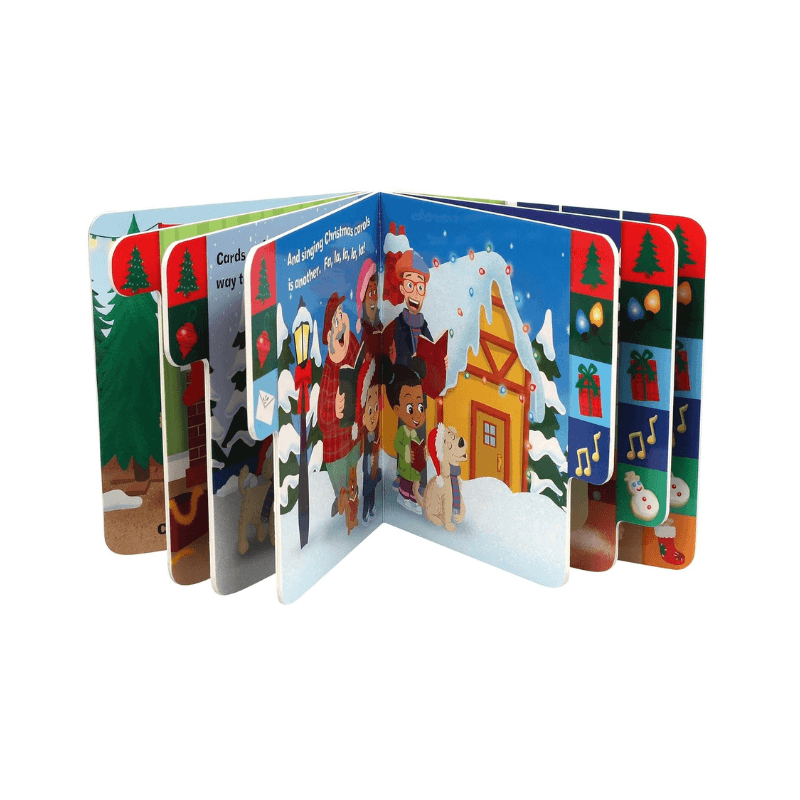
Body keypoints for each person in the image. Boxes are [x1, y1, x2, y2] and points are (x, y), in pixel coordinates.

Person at [318, 293, 361, 519]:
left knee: (352, 463)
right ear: (329, 337)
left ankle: (352, 493)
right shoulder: (329, 370)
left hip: (352, 432)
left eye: (342, 313)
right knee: (338, 469)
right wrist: (333, 409)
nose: (342, 321)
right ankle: (340, 496)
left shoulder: (351, 343)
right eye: (336, 319)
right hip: (336, 440)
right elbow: (322, 417)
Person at [381, 355, 427, 513]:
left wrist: (421, 451)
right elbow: (398, 445)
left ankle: (412, 499)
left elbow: (416, 443)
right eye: (410, 409)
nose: (417, 415)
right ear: (397, 410)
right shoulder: (402, 431)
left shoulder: (413, 431)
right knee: (406, 484)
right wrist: (407, 453)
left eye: (420, 407)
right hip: (406, 467)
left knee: (413, 484)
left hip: (412, 467)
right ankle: (404, 498)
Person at [358, 358, 382, 521]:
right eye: (370, 411)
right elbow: (366, 457)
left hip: (373, 467)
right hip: (368, 469)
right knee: (368, 489)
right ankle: (366, 511)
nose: (373, 415)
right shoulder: (365, 436)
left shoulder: (375, 434)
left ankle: (371, 507)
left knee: (372, 489)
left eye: (376, 408)